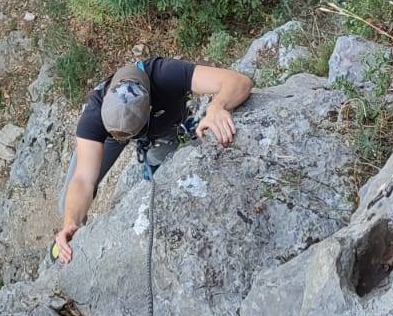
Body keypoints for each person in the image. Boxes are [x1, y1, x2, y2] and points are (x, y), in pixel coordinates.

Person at [54, 55, 253, 264]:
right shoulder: (95, 114)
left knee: (162, 177)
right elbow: (84, 179)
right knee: (67, 204)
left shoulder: (165, 74)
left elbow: (239, 81)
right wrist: (70, 222)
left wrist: (217, 107)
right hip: (110, 133)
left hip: (162, 129)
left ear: (149, 107)